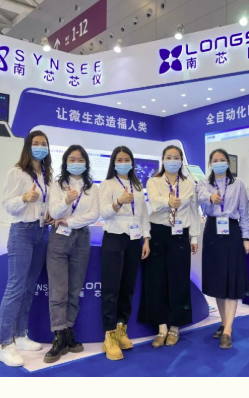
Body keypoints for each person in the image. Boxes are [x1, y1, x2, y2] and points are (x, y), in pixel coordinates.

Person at [0, 130, 53, 367]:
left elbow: (45, 203)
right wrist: (24, 199)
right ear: (28, 146)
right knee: (16, 286)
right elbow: (8, 204)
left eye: (44, 144)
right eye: (36, 143)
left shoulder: (46, 175)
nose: (40, 147)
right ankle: (4, 343)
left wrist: (49, 214)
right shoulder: (17, 172)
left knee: (29, 286)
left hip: (41, 231)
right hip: (22, 231)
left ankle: (20, 335)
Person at [139, 145, 200, 348]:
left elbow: (193, 212)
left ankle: (175, 326)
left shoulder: (189, 184)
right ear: (163, 159)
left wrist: (194, 238)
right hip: (158, 232)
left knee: (179, 280)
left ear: (181, 161)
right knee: (156, 280)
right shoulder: (154, 181)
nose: (172, 160)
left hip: (180, 234)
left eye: (176, 157)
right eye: (168, 157)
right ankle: (161, 327)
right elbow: (155, 203)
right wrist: (169, 202)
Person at [44, 145, 100, 363]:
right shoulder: (56, 185)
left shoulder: (92, 188)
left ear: (86, 162)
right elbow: (53, 212)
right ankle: (58, 335)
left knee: (75, 289)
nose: (76, 163)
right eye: (72, 159)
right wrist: (66, 201)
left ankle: (69, 331)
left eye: (80, 159)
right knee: (58, 289)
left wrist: (70, 221)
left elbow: (94, 214)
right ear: (66, 162)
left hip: (82, 238)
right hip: (59, 238)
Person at [98, 146, 151, 360]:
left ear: (132, 162)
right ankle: (109, 335)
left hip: (135, 239)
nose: (123, 163)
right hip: (114, 237)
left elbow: (143, 214)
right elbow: (103, 213)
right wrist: (119, 202)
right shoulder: (107, 184)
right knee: (111, 288)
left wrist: (146, 238)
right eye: (119, 159)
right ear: (113, 162)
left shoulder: (137, 185)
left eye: (126, 159)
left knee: (128, 287)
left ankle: (121, 328)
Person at [197, 148, 249, 349]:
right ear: (210, 164)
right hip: (212, 230)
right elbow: (200, 196)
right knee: (218, 281)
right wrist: (211, 198)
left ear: (228, 163)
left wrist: (246, 237)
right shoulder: (204, 183)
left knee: (232, 280)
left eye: (222, 160)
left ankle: (228, 329)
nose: (219, 163)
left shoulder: (238, 184)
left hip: (232, 230)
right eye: (215, 160)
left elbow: (244, 213)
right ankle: (223, 322)